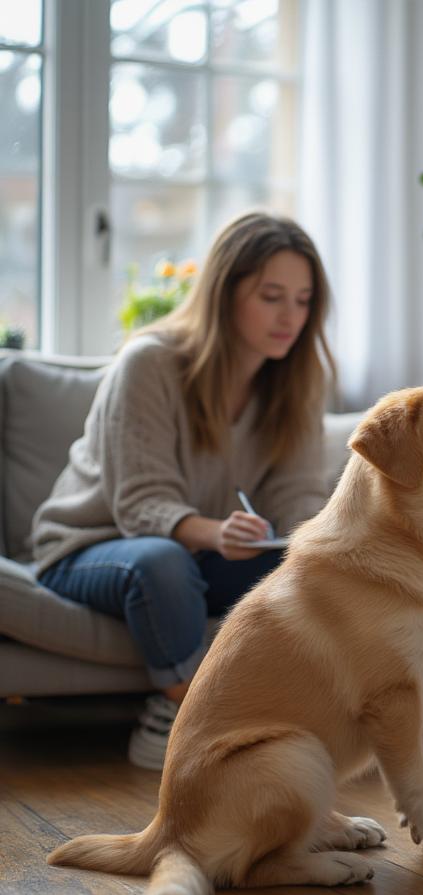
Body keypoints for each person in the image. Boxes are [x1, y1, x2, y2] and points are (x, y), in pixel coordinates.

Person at [33, 211, 335, 770]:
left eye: (302, 299)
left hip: (207, 548)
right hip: (89, 546)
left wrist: (314, 550)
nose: (290, 316)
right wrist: (215, 532)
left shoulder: (297, 382)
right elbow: (139, 504)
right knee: (162, 563)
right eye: (271, 296)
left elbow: (299, 495)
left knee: (308, 567)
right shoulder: (149, 363)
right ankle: (188, 716)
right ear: (224, 293)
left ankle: (304, 715)